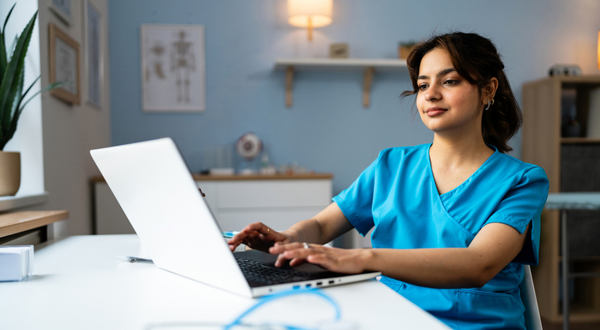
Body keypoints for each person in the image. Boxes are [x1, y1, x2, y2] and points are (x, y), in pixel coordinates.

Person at [228, 32, 549, 330]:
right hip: (388, 316)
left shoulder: (521, 181)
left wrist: (361, 259)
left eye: (449, 81)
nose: (431, 95)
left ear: (488, 90)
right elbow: (322, 226)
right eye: (423, 86)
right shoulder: (391, 165)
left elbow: (478, 264)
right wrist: (286, 238)